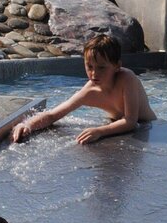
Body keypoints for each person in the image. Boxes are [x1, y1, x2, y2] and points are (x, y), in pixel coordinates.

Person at [10, 34, 156, 145]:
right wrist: (27, 125)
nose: (94, 73)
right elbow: (52, 115)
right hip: (119, 127)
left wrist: (100, 131)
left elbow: (131, 121)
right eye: (89, 67)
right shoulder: (90, 92)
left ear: (117, 66)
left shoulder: (127, 79)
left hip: (150, 127)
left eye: (101, 68)